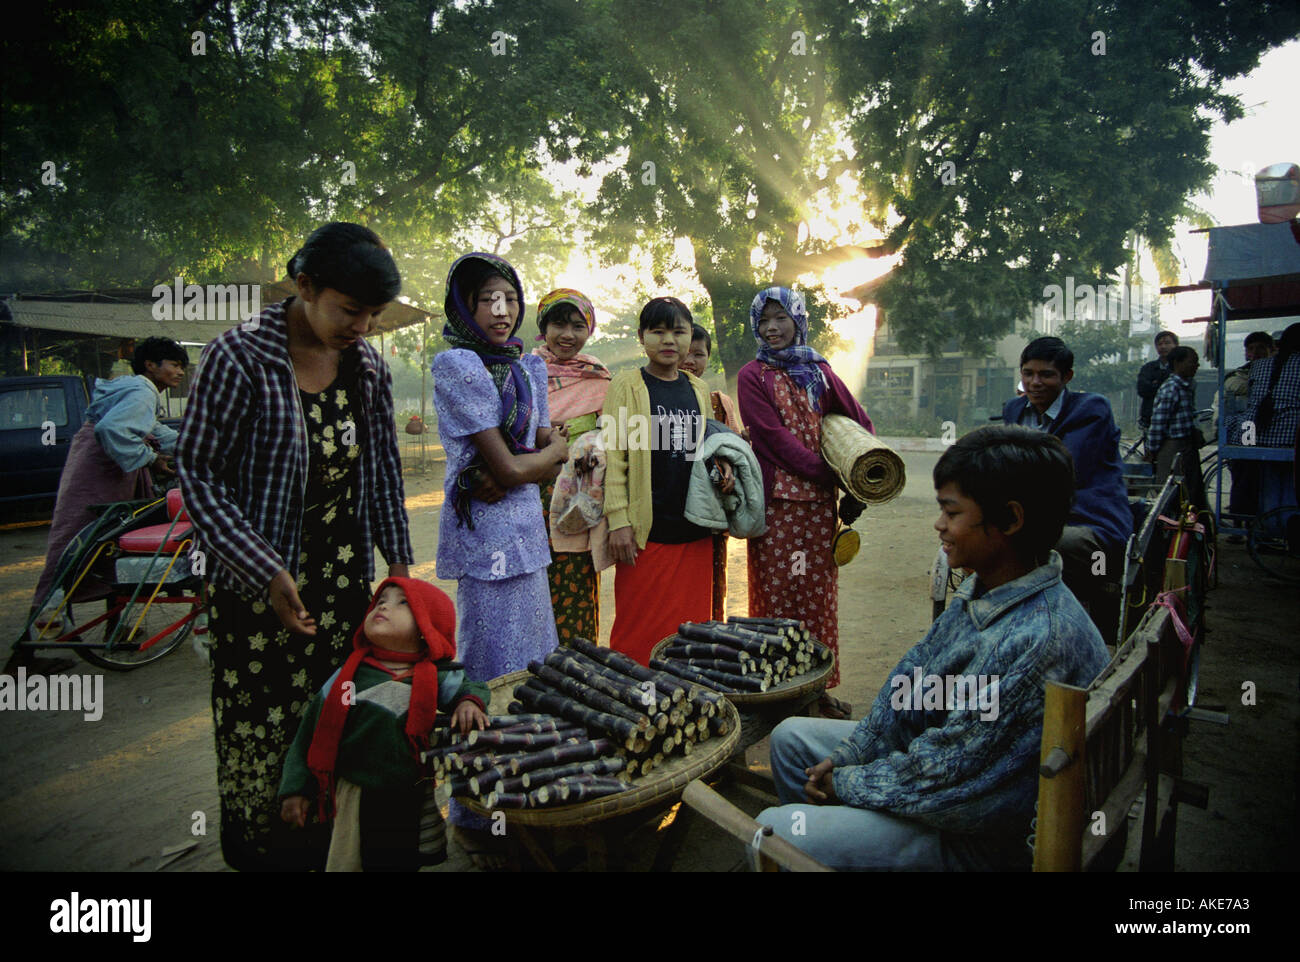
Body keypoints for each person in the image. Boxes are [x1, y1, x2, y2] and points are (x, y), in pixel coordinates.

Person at [756, 426, 1110, 871]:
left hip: (986, 841)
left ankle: (826, 839)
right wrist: (851, 757)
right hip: (959, 792)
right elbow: (912, 682)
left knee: (776, 829)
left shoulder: (1037, 640)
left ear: (1011, 520)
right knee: (793, 738)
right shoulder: (990, 587)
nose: (938, 524)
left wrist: (846, 784)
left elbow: (948, 775)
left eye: (951, 511)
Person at [177, 222, 414, 871]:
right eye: (348, 310)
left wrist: (399, 566)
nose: (362, 326)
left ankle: (331, 855)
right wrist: (265, 572)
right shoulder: (239, 357)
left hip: (339, 589)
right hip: (256, 597)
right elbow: (197, 472)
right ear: (305, 286)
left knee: (336, 726)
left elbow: (384, 470)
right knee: (265, 736)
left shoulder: (365, 365)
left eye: (372, 314)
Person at [432, 252, 568, 865]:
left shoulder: (527, 368)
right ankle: (478, 808)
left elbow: (537, 447)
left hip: (525, 537)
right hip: (485, 543)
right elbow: (520, 463)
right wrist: (533, 465)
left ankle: (528, 795)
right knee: (486, 674)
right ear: (463, 306)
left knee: (535, 666)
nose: (501, 310)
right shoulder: (457, 364)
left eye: (509, 297)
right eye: (486, 298)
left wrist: (530, 464)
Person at [278, 578, 489, 871]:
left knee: (400, 860)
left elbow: (470, 687)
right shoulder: (350, 677)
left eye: (403, 603)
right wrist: (296, 788)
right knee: (356, 858)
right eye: (381, 601)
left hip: (407, 797)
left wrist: (468, 703)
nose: (386, 606)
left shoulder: (431, 676)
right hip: (356, 796)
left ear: (427, 630)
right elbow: (310, 733)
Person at [736, 287, 872, 718]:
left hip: (817, 510)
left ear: (798, 320)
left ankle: (816, 690)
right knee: (776, 595)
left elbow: (858, 420)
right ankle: (777, 695)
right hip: (776, 505)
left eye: (780, 318)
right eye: (763, 321)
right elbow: (772, 439)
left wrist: (855, 466)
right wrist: (824, 471)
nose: (772, 328)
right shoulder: (752, 375)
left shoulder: (820, 371)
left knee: (816, 596)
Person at [21, 337, 186, 659]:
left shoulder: (137, 390)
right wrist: (152, 459)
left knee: (113, 545)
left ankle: (116, 627)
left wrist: (190, 445)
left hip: (111, 473)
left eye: (182, 366)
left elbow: (150, 429)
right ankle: (24, 656)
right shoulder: (141, 391)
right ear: (151, 365)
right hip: (99, 477)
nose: (180, 371)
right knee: (74, 548)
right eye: (174, 364)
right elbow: (113, 431)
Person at [602, 297, 734, 665]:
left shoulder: (697, 389)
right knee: (638, 632)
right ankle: (633, 705)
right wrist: (619, 521)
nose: (668, 340)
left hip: (694, 529)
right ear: (641, 337)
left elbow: (706, 447)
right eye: (657, 331)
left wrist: (722, 468)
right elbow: (613, 457)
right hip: (647, 532)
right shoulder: (626, 386)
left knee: (689, 632)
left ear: (690, 336)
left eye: (678, 331)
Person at [1000, 336, 1132, 623]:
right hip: (1030, 517)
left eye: (1046, 374)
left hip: (1088, 518)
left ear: (1067, 376)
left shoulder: (1092, 409)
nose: (1035, 382)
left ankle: (1056, 624)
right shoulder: (1014, 409)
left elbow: (1065, 472)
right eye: (1028, 373)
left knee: (1049, 546)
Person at [532, 288, 612, 645]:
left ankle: (578, 668)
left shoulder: (599, 377)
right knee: (532, 588)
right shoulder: (526, 374)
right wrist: (546, 438)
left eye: (577, 326)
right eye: (558, 324)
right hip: (530, 495)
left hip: (579, 500)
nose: (568, 334)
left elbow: (615, 433)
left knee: (575, 584)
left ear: (589, 330)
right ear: (543, 327)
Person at [680, 322, 746, 621]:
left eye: (699, 354)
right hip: (672, 513)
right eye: (686, 352)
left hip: (713, 515)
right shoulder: (652, 398)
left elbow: (734, 447)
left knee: (712, 588)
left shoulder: (720, 403)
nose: (690, 361)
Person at [1236, 322, 1300, 517]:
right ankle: (1286, 526)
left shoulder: (1259, 366)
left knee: (1268, 480)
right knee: (1290, 483)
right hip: (1290, 439)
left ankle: (1267, 526)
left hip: (1254, 435)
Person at [1147, 345, 1204, 510]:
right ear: (1178, 363)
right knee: (1172, 494)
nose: (1196, 366)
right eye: (1192, 362)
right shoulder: (1171, 388)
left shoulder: (1187, 386)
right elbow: (1158, 422)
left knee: (1191, 492)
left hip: (1187, 446)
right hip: (1173, 447)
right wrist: (1152, 449)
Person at [1137, 330, 1180, 432]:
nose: (1163, 347)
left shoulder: (1182, 367)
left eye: (1167, 343)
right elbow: (1142, 390)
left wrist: (1155, 384)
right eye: (1160, 344)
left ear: (1176, 345)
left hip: (1175, 423)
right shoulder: (1148, 368)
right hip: (1150, 421)